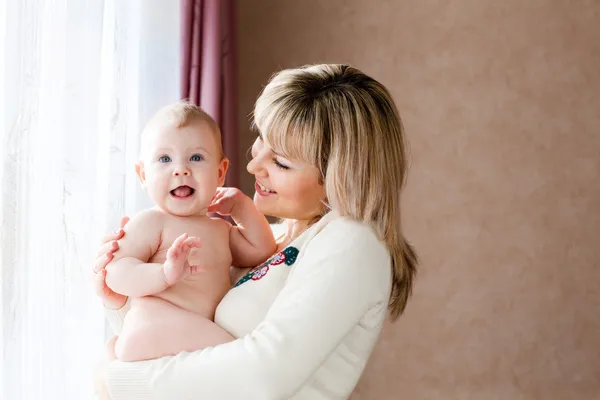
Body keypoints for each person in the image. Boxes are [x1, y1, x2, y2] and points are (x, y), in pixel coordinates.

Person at [93, 64, 418, 400]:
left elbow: (265, 374)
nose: (252, 165)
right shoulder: (274, 241)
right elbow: (176, 345)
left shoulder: (352, 242)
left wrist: (118, 382)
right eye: (261, 139)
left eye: (281, 162)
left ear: (339, 178)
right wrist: (118, 303)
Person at [103, 102, 276, 362]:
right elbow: (116, 273)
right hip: (156, 322)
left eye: (196, 158)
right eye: (164, 159)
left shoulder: (220, 229)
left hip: (186, 341)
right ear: (142, 175)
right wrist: (162, 274)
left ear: (220, 173)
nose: (181, 169)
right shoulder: (150, 222)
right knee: (242, 358)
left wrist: (242, 207)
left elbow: (261, 250)